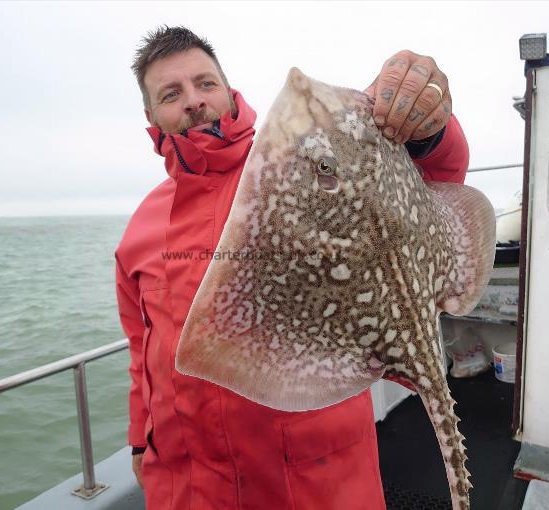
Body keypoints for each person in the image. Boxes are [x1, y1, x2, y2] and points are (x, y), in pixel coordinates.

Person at [115, 25, 469, 510]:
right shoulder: (140, 227)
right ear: (151, 115)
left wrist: (427, 131)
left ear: (229, 90)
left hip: (313, 480)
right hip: (188, 485)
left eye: (205, 83)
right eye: (171, 93)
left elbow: (425, 180)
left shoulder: (295, 161)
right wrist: (141, 439)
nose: (193, 100)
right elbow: (142, 347)